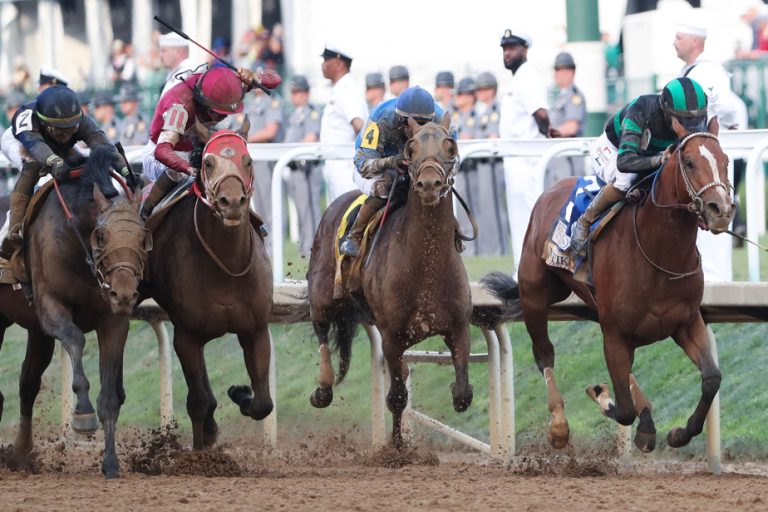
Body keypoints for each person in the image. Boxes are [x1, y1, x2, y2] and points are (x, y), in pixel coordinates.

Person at [569, 77, 709, 254]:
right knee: (625, 180)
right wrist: (659, 160)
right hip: (614, 149)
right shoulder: (641, 109)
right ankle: (584, 221)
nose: (690, 127)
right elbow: (625, 161)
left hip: (655, 154)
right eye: (683, 121)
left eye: (694, 121)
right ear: (667, 111)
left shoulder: (697, 115)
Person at [0, 85, 131, 258]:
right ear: (45, 124)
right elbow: (37, 147)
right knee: (32, 166)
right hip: (24, 141)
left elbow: (105, 147)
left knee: (77, 165)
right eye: (60, 131)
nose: (67, 136)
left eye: (71, 129)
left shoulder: (81, 121)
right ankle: (13, 233)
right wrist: (54, 161)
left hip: (51, 143)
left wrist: (125, 171)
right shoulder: (27, 122)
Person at [140, 65, 274, 220]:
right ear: (206, 105)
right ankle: (145, 213)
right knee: (179, 172)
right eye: (219, 114)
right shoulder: (180, 107)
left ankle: (250, 220)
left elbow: (275, 80)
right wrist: (189, 169)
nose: (223, 118)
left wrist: (253, 77)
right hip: (160, 155)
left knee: (228, 166)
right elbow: (162, 151)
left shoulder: (226, 87)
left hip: (194, 146)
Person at [340, 86, 450, 257]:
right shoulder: (381, 119)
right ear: (399, 119)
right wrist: (392, 162)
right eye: (411, 123)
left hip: (416, 169)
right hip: (374, 167)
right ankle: (354, 235)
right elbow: (362, 164)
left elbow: (453, 161)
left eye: (423, 124)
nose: (415, 128)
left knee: (439, 189)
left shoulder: (441, 120)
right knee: (385, 187)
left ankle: (453, 235)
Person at [674, 20, 746, 281]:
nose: (674, 42)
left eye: (679, 37)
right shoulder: (694, 71)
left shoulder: (707, 72)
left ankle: (716, 281)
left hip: (713, 158)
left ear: (695, 42)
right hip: (705, 156)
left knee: (716, 211)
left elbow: (725, 107)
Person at [498, 28, 558, 270]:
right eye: (505, 49)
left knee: (529, 218)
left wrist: (548, 130)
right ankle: (522, 271)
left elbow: (541, 113)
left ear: (525, 50)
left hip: (526, 158)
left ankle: (534, 273)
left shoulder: (527, 76)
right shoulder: (517, 78)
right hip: (515, 157)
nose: (508, 53)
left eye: (513, 48)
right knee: (519, 219)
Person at [319, 43, 369, 203]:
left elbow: (359, 125)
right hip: (337, 165)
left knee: (346, 217)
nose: (323, 64)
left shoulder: (346, 88)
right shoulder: (340, 87)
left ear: (339, 63)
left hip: (346, 167)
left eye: (327, 59)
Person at [284, 75, 322, 257]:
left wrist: (292, 148)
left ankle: (312, 246)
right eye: (293, 92)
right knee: (301, 209)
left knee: (310, 208)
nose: (295, 96)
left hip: (306, 168)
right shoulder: (294, 114)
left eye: (298, 92)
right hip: (293, 168)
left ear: (306, 93)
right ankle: (305, 245)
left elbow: (312, 136)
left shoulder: (311, 112)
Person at [474, 72, 509, 256]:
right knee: (486, 210)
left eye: (482, 88)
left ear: (491, 90)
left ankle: (499, 250)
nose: (478, 92)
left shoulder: (495, 110)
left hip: (493, 164)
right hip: (483, 165)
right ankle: (491, 250)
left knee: (495, 210)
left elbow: (493, 137)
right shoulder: (483, 112)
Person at [244, 86, 284, 236]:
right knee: (258, 206)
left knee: (270, 205)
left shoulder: (272, 101)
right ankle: (264, 242)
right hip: (252, 158)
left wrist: (245, 138)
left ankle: (274, 241)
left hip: (266, 159)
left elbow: (270, 131)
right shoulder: (252, 103)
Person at [545, 52, 587, 189]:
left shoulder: (574, 96)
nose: (555, 74)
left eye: (559, 70)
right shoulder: (561, 97)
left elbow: (572, 127)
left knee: (569, 203)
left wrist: (548, 131)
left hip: (569, 161)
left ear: (570, 72)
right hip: (558, 159)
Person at [451, 77, 479, 255]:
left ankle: (479, 250)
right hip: (461, 169)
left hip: (474, 169)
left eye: (461, 94)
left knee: (475, 210)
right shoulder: (456, 116)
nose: (458, 98)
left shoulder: (475, 115)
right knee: (462, 212)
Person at [158, 32, 195, 98]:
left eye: (164, 51)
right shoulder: (176, 72)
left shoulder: (188, 73)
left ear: (178, 52)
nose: (160, 55)